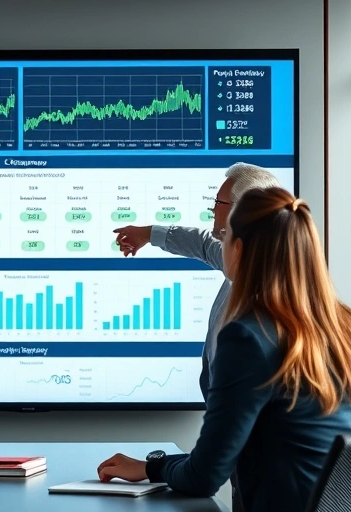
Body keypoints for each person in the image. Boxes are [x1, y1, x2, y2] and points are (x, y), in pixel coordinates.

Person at [97, 187, 351, 511]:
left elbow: (204, 477)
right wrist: (155, 466)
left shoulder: (248, 338)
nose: (218, 246)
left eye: (225, 237)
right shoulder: (345, 327)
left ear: (238, 249)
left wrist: (151, 468)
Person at [113, 162, 280, 401]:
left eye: (218, 203)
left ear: (243, 212)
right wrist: (148, 233)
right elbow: (202, 244)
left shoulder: (265, 292)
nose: (213, 210)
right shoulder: (240, 260)